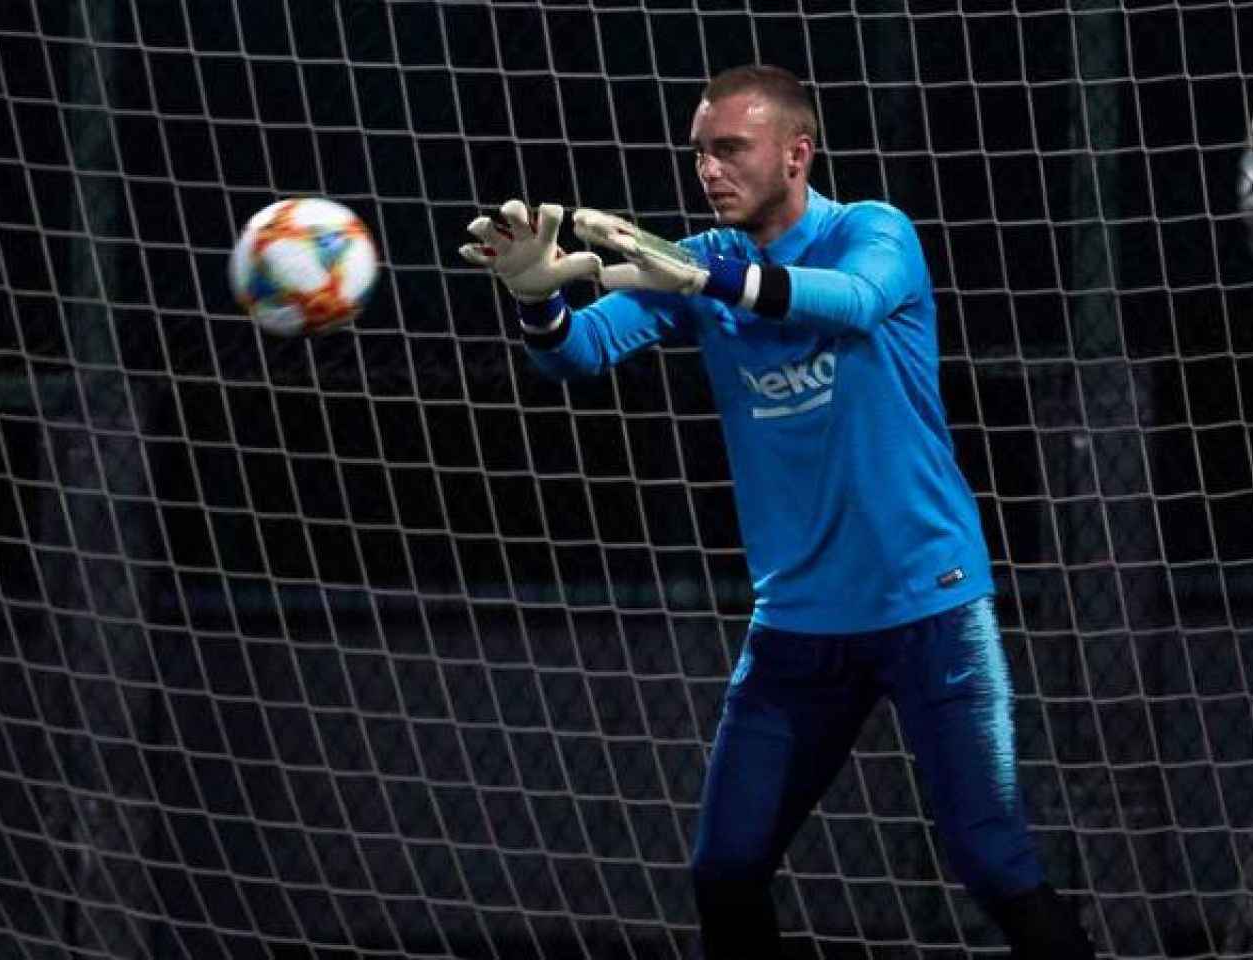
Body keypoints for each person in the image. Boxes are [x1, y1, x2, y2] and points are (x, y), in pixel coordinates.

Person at [458, 65, 1096, 960]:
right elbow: (581, 354)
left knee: (991, 861)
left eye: (730, 150)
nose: (709, 171)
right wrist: (538, 302)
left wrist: (707, 283)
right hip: (798, 627)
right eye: (699, 155)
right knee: (725, 868)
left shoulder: (871, 232)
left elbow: (856, 302)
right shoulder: (702, 264)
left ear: (796, 154)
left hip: (932, 609)